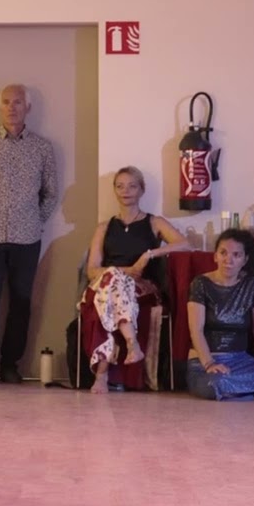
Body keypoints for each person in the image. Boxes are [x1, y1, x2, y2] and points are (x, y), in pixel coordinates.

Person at [0, 84, 58, 385]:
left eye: (18, 102)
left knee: (20, 302)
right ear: (0, 107)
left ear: (27, 107)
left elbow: (51, 193)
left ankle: (10, 365)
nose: (11, 107)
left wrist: (34, 220)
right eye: (6, 102)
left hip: (27, 237)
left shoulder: (42, 148)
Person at [81, 166, 189, 393]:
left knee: (110, 294)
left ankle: (101, 374)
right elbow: (92, 270)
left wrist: (148, 255)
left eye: (132, 186)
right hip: (106, 284)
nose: (125, 191)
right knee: (112, 282)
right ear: (114, 191)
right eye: (120, 186)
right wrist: (121, 271)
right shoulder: (104, 227)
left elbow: (185, 244)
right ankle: (132, 344)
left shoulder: (154, 222)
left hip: (142, 288)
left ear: (142, 190)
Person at [186, 229, 254, 401]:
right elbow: (196, 330)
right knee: (218, 384)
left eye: (236, 255)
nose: (228, 260)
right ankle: (248, 392)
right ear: (215, 256)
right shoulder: (200, 284)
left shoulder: (252, 285)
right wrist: (210, 364)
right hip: (204, 362)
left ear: (245, 260)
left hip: (240, 361)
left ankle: (242, 393)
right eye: (223, 253)